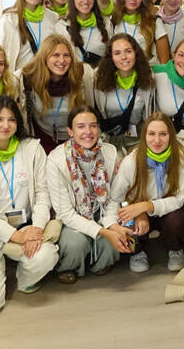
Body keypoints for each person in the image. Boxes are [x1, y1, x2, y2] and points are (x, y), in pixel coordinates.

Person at [0, 96, 59, 315]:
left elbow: (43, 194)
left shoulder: (32, 149)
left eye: (11, 119)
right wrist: (15, 236)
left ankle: (24, 280)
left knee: (45, 256)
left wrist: (36, 229)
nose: (5, 125)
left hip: (28, 227)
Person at [45, 106, 132, 283]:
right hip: (73, 218)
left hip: (103, 213)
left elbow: (115, 197)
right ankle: (69, 267)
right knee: (75, 243)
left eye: (93, 126)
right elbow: (65, 213)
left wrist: (110, 225)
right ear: (70, 131)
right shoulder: (56, 159)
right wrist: (104, 232)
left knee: (112, 242)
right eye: (81, 126)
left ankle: (100, 263)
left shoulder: (109, 152)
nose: (88, 132)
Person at [104, 112, 184, 273]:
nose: (157, 140)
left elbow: (178, 199)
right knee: (126, 218)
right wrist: (128, 218)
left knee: (178, 220)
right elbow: (116, 198)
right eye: (151, 134)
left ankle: (175, 248)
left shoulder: (178, 159)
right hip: (136, 209)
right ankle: (137, 252)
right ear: (144, 136)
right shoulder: (131, 162)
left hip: (166, 210)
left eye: (163, 134)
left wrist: (146, 206)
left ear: (171, 136)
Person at [21, 34, 94, 152]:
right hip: (42, 139)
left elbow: (91, 108)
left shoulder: (82, 75)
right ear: (44, 57)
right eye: (55, 55)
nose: (62, 60)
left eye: (66, 55)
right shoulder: (28, 77)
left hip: (75, 140)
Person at [92, 33, 153, 153]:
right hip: (108, 139)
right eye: (117, 53)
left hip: (137, 138)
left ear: (136, 53)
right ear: (111, 57)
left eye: (128, 51)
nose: (123, 57)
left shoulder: (147, 75)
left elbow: (148, 116)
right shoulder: (99, 76)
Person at [0, 0, 61, 71]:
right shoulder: (9, 19)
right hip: (21, 78)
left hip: (49, 76)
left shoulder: (53, 17)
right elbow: (1, 55)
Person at [108, 0, 170, 65]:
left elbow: (164, 63)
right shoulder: (113, 20)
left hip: (149, 72)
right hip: (122, 71)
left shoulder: (154, 20)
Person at [58, 0, 109, 67]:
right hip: (73, 74)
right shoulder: (62, 26)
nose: (85, 0)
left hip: (100, 74)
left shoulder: (106, 23)